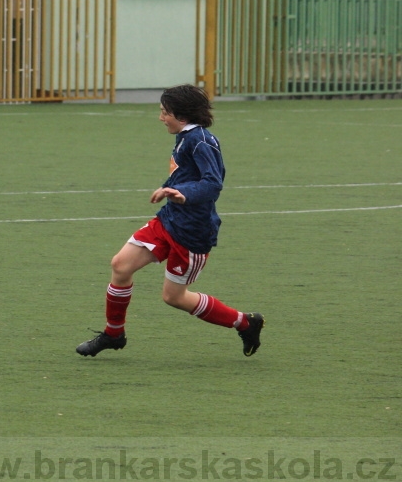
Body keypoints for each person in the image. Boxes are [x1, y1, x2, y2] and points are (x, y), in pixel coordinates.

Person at [76, 84, 264, 357]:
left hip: (192, 232)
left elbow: (213, 183)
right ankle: (113, 334)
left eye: (165, 113)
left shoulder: (201, 141)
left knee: (173, 297)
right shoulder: (186, 136)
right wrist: (170, 190)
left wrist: (183, 193)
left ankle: (245, 323)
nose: (161, 118)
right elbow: (185, 174)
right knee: (120, 265)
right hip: (169, 220)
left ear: (182, 116)